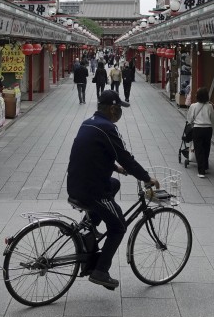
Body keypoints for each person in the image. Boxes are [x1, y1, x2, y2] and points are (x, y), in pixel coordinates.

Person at [67, 90, 159, 290]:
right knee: (118, 226)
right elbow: (124, 156)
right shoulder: (107, 128)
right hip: (92, 191)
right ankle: (100, 271)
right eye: (119, 108)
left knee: (114, 184)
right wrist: (146, 177)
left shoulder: (89, 122)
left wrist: (116, 169)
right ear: (112, 108)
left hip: (76, 184)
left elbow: (92, 154)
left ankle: (88, 226)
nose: (120, 113)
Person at [185, 87, 214, 178]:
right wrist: (211, 126)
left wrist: (192, 124)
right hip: (208, 129)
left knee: (199, 150)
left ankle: (201, 171)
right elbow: (213, 119)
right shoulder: (210, 106)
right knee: (206, 148)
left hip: (197, 129)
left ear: (198, 96)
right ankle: (205, 166)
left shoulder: (193, 106)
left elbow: (189, 119)